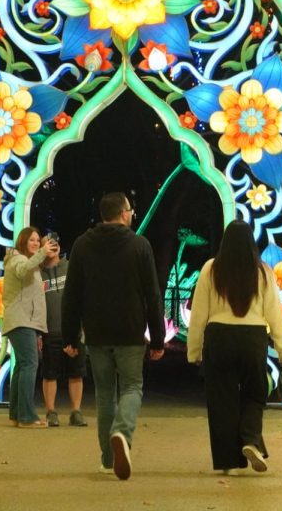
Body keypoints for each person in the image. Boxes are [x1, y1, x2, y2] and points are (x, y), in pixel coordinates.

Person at [62, 192, 165, 480]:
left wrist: (70, 336)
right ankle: (122, 431)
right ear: (122, 213)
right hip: (130, 331)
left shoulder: (82, 245)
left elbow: (72, 294)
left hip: (96, 332)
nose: (132, 214)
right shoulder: (139, 245)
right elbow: (153, 295)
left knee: (105, 394)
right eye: (130, 210)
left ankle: (108, 460)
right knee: (132, 387)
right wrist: (158, 338)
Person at [186, 220, 282, 475]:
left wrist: (194, 350)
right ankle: (250, 440)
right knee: (255, 393)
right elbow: (275, 315)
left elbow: (199, 313)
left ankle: (228, 462)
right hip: (253, 338)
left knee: (222, 399)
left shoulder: (211, 269)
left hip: (219, 337)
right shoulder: (263, 272)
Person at [2, 227, 59, 428]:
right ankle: (26, 416)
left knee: (22, 366)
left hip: (23, 320)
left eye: (38, 240)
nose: (36, 243)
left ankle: (17, 414)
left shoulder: (28, 262)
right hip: (21, 320)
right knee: (29, 365)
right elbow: (22, 270)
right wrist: (43, 252)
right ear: (23, 242)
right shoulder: (18, 260)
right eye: (32, 240)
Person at [39, 234, 88, 427]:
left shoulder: (71, 267)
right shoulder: (37, 273)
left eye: (55, 241)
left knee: (76, 372)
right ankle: (51, 412)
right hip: (49, 331)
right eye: (47, 242)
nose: (53, 244)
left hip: (74, 332)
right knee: (49, 373)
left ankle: (76, 412)